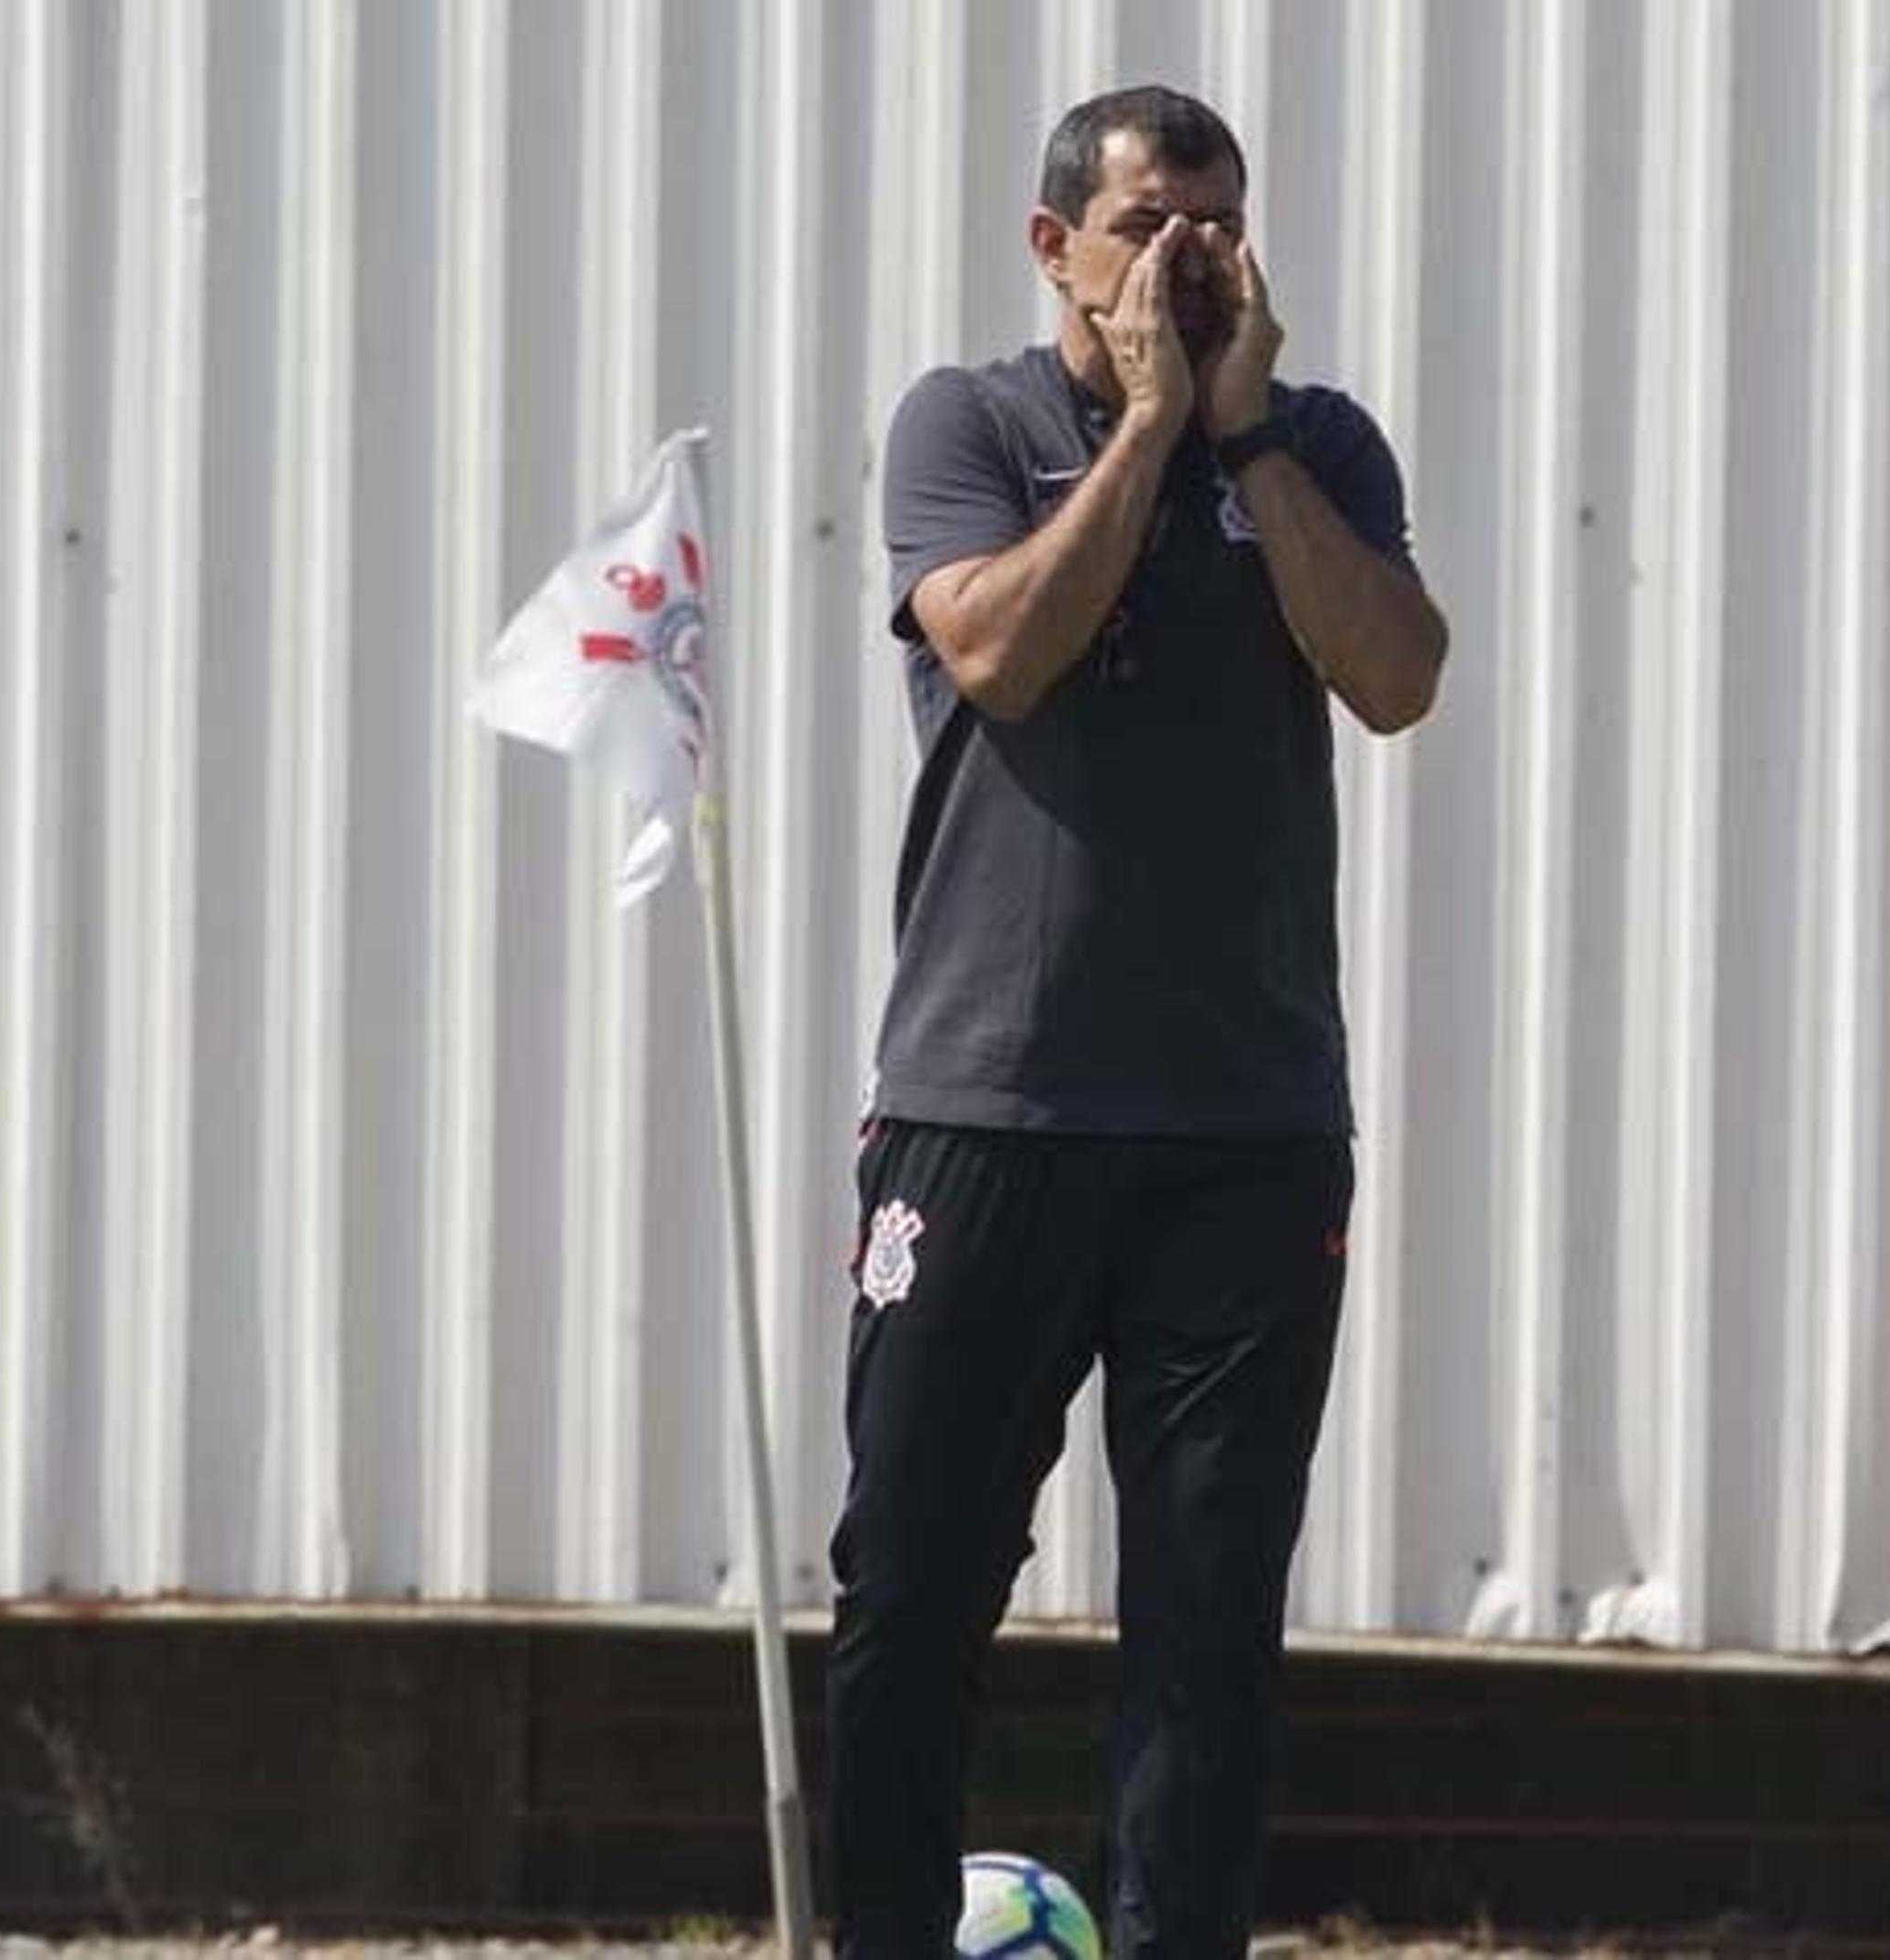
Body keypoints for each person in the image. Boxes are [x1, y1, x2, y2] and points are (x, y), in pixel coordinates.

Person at [832, 84, 1448, 1960]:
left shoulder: (1319, 443)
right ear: (1054, 247)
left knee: (1205, 1618)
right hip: (987, 1113)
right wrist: (1149, 430)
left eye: (1214, 224)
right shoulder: (972, 423)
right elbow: (1001, 650)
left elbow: (1400, 676)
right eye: (1141, 225)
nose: (1181, 260)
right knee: (910, 1596)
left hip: (1244, 1137)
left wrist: (1241, 437)